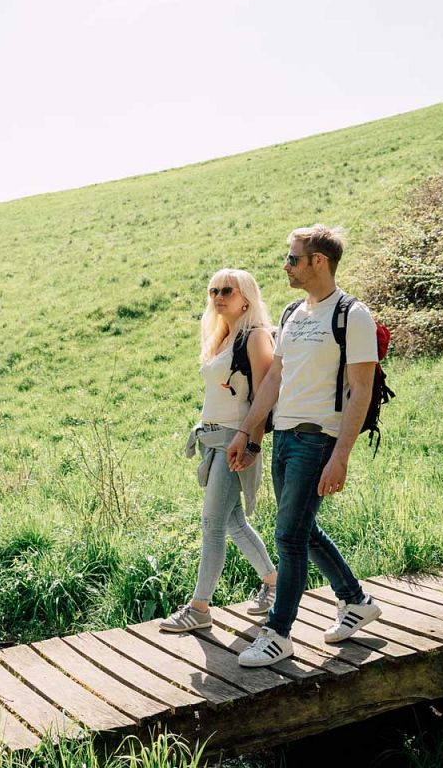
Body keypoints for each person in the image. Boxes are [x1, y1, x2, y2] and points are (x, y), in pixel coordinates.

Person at [226, 225, 383, 667]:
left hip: (318, 439)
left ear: (319, 261)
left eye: (293, 258)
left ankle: (278, 633)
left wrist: (341, 456)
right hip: (284, 436)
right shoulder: (294, 312)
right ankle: (355, 601)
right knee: (302, 530)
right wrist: (247, 432)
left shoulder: (353, 315)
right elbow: (275, 378)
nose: (286, 266)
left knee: (289, 536)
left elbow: (361, 389)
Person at [160, 269, 279, 633]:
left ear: (246, 297)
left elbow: (265, 395)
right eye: (213, 291)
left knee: (212, 522)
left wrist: (252, 444)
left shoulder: (255, 336)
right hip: (212, 440)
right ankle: (274, 584)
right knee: (232, 521)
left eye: (227, 290)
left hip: (234, 441)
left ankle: (199, 608)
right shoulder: (223, 337)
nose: (218, 297)